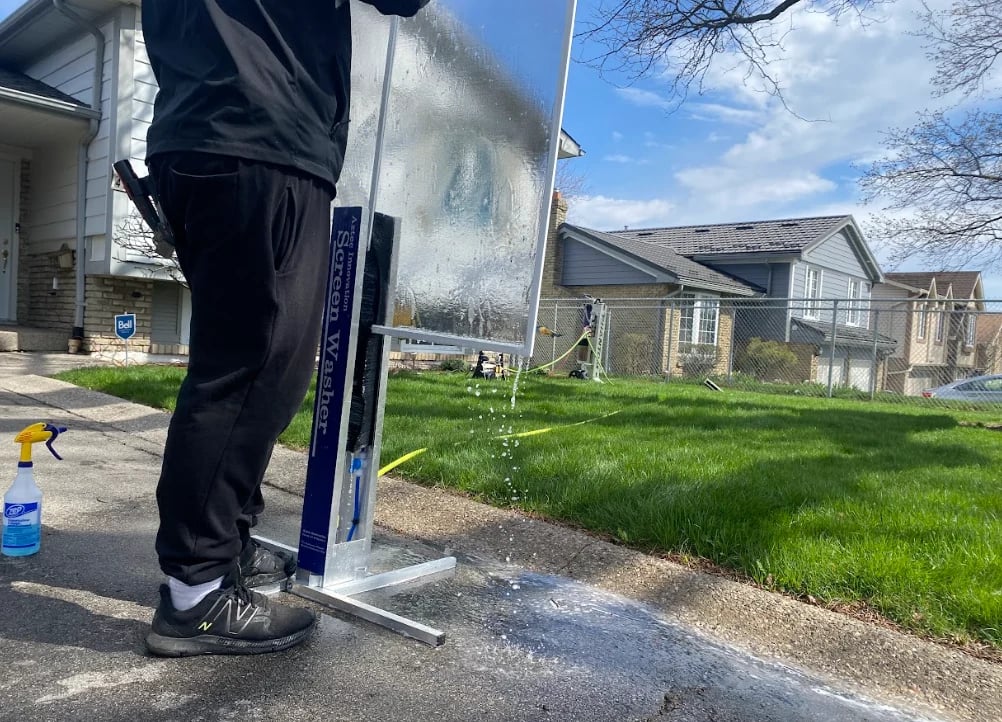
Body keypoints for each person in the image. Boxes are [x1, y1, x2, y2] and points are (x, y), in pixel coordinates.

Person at [141, 0, 431, 657]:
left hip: (202, 130)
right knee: (254, 372)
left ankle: (222, 554)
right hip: (262, 131)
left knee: (242, 362)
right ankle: (197, 592)